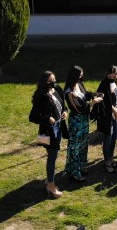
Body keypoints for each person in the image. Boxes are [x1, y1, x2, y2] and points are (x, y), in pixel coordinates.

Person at [30, 71, 69, 199]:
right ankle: (51, 186)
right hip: (48, 131)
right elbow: (33, 117)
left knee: (54, 155)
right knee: (52, 156)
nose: (53, 82)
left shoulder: (57, 89)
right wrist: (47, 118)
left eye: (54, 79)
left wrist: (65, 112)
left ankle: (49, 179)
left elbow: (63, 105)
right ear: (44, 83)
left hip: (58, 127)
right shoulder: (41, 96)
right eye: (50, 80)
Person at [63, 66, 102, 182]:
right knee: (75, 146)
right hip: (76, 121)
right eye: (80, 75)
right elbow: (78, 109)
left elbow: (86, 95)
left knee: (84, 143)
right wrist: (93, 103)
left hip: (85, 119)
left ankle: (81, 166)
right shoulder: (69, 92)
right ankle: (74, 172)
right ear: (75, 75)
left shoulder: (79, 84)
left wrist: (96, 94)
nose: (81, 77)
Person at [96, 65, 117, 174]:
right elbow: (104, 100)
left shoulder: (115, 83)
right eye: (110, 74)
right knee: (108, 138)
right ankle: (107, 161)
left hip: (114, 113)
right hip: (107, 115)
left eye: (114, 74)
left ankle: (111, 158)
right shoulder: (104, 83)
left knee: (114, 136)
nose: (112, 76)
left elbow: (116, 97)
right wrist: (114, 110)